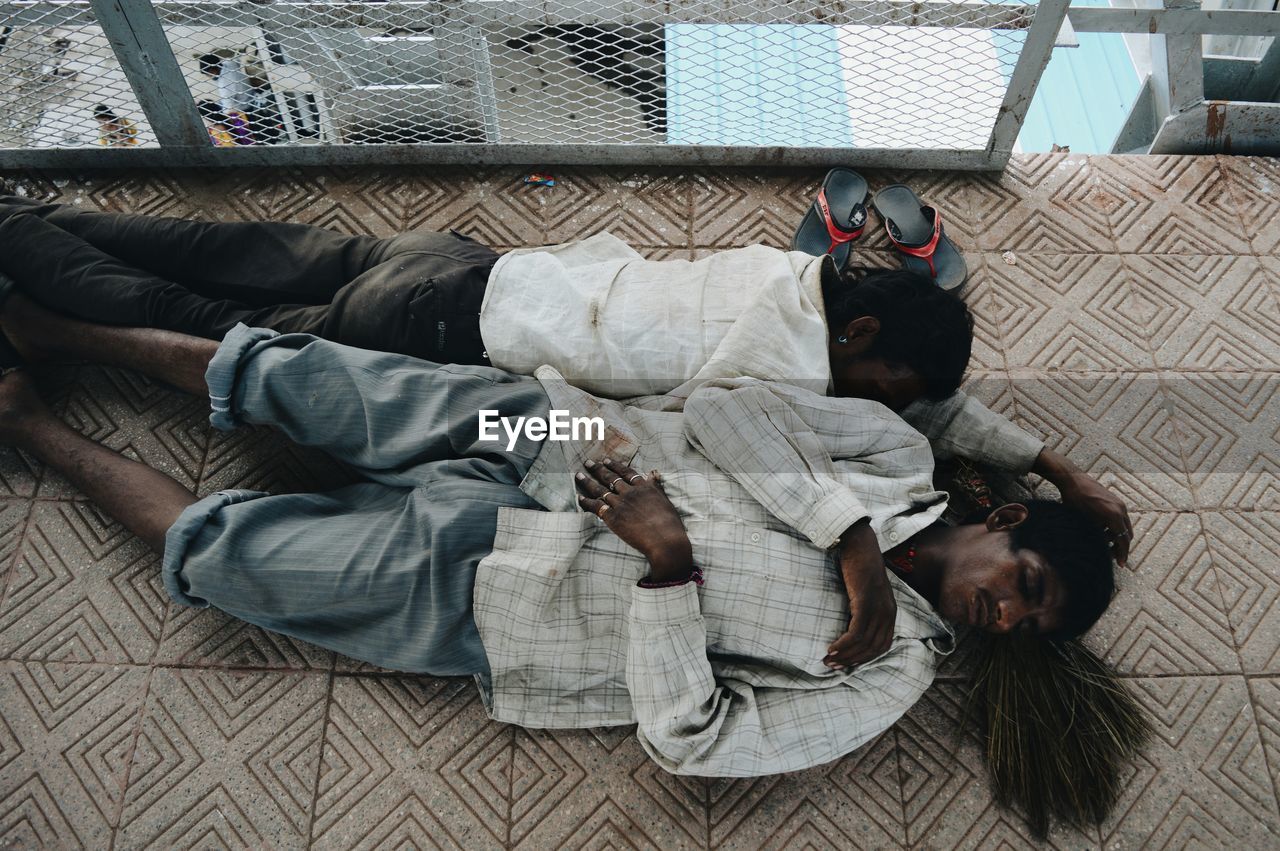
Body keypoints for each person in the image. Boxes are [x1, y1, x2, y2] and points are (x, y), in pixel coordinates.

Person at [0, 297, 1116, 775]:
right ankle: (52, 327)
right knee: (303, 382)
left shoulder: (883, 680)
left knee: (227, 557)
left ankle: (29, 420)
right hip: (561, 433)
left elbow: (696, 739)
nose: (1002, 613)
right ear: (1001, 519)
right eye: (1019, 580)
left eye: (1023, 623)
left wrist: (667, 565)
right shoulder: (894, 461)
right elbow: (730, 406)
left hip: (503, 602)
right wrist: (850, 543)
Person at [0, 198, 1133, 567]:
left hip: (475, 264)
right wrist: (853, 548)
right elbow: (743, 426)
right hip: (443, 332)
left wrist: (1053, 463)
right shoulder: (778, 366)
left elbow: (935, 403)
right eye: (882, 384)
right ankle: (35, 297)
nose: (885, 406)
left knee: (221, 250)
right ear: (865, 333)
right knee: (193, 325)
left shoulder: (792, 279)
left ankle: (30, 219)